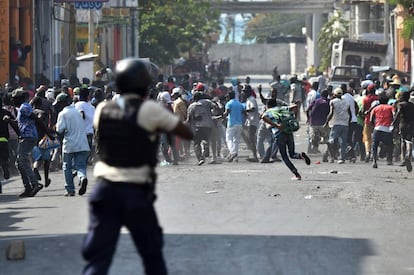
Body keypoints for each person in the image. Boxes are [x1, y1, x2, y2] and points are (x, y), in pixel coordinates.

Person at [81, 58, 193, 275]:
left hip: (104, 189)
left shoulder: (104, 108)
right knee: (152, 256)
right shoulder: (149, 109)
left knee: (98, 259)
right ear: (144, 85)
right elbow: (186, 132)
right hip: (135, 191)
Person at [12, 88, 53, 197]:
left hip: (28, 137)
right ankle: (28, 187)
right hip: (25, 137)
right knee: (19, 163)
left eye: (15, 99)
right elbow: (20, 123)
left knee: (22, 160)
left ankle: (34, 184)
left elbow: (37, 119)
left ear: (20, 98)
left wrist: (48, 133)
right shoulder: (22, 108)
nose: (13, 101)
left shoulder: (24, 107)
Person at [261, 98, 310, 180]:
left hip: (279, 134)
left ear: (267, 105)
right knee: (292, 154)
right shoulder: (281, 108)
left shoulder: (268, 111)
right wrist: (295, 113)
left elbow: (263, 117)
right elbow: (295, 106)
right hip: (288, 131)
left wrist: (276, 125)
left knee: (285, 156)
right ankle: (301, 155)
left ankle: (296, 174)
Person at [55, 92, 90, 196]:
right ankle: (82, 177)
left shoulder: (63, 113)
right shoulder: (77, 111)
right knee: (80, 166)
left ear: (62, 103)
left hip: (69, 144)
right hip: (82, 143)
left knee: (67, 166)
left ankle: (70, 189)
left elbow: (60, 130)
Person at [324, 88, 351, 164]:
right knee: (343, 142)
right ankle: (342, 158)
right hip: (345, 124)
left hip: (336, 123)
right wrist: (348, 122)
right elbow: (350, 114)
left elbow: (331, 112)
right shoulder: (346, 102)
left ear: (334, 94)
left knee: (331, 140)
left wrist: (326, 122)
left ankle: (331, 157)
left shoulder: (333, 102)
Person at [370, 92, 395, 168]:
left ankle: (374, 161)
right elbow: (394, 115)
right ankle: (389, 160)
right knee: (390, 145)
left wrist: (373, 126)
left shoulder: (375, 108)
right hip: (387, 129)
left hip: (377, 128)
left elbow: (371, 119)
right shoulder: (390, 107)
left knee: (374, 145)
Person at [0, 97, 20, 193]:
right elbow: (14, 123)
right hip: (4, 139)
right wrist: (19, 134)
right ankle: (5, 166)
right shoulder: (5, 113)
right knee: (4, 158)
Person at [393, 91, 414, 172]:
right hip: (411, 125)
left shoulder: (400, 105)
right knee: (409, 141)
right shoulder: (412, 105)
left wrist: (394, 123)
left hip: (403, 125)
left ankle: (403, 159)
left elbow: (398, 114)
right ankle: (408, 155)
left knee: (402, 141)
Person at [223, 91, 245, 162]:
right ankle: (235, 157)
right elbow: (244, 112)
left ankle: (233, 153)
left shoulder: (229, 103)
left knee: (229, 139)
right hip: (239, 123)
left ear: (229, 97)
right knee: (236, 141)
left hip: (231, 123)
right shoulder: (239, 104)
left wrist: (222, 116)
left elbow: (227, 112)